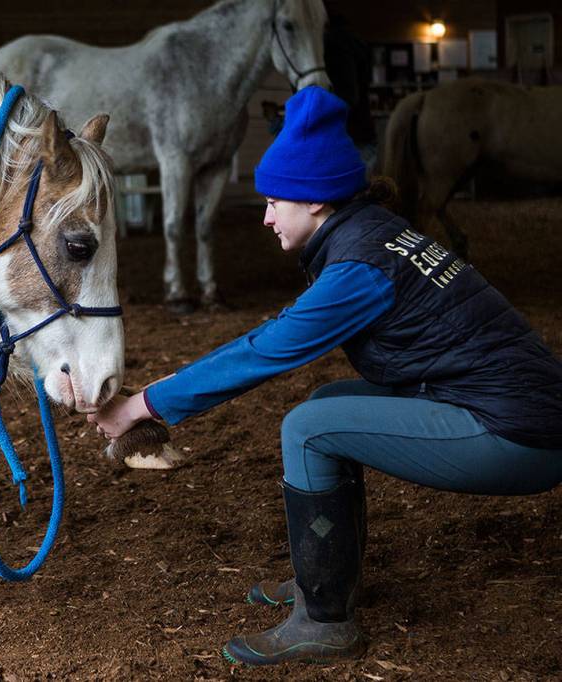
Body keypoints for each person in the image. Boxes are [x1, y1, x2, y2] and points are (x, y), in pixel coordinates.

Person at [90, 86, 562, 667]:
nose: (264, 217)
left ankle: (324, 622)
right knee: (328, 401)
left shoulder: (360, 267)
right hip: (507, 403)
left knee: (308, 428)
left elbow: (262, 351)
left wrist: (141, 407)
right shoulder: (374, 232)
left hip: (519, 435)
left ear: (315, 202)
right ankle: (329, 577)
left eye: (273, 202)